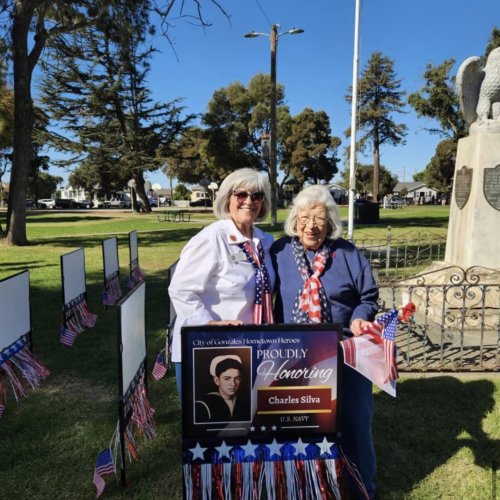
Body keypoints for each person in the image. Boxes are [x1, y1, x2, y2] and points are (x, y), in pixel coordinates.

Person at [270, 184, 379, 499]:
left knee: (356, 423)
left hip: (344, 350)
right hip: (293, 356)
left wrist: (360, 316)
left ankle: (362, 490)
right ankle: (305, 487)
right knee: (300, 427)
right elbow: (261, 293)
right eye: (303, 217)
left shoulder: (346, 253)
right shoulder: (279, 253)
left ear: (331, 222)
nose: (310, 225)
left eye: (318, 218)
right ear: (294, 220)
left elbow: (368, 296)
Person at [168, 168, 275, 395]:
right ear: (228, 198)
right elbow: (181, 289)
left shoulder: (266, 241)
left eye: (256, 196)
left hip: (250, 349)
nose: (249, 201)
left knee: (246, 424)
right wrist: (207, 324)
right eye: (241, 195)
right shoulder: (211, 239)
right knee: (212, 426)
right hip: (205, 349)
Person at [195, 355, 249, 422]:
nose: (233, 384)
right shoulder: (203, 405)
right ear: (217, 380)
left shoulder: (245, 403)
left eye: (237, 378)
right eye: (227, 378)